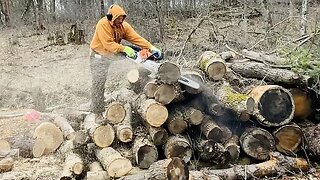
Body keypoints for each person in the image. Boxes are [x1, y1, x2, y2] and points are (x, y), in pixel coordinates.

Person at [89, 4, 162, 116]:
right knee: (99, 82)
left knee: (137, 52)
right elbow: (108, 44)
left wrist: (150, 47)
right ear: (110, 17)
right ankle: (97, 112)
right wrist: (124, 48)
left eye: (121, 18)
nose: (120, 21)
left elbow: (136, 38)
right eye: (117, 18)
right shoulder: (103, 24)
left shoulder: (123, 26)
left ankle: (143, 81)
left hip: (114, 52)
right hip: (99, 55)